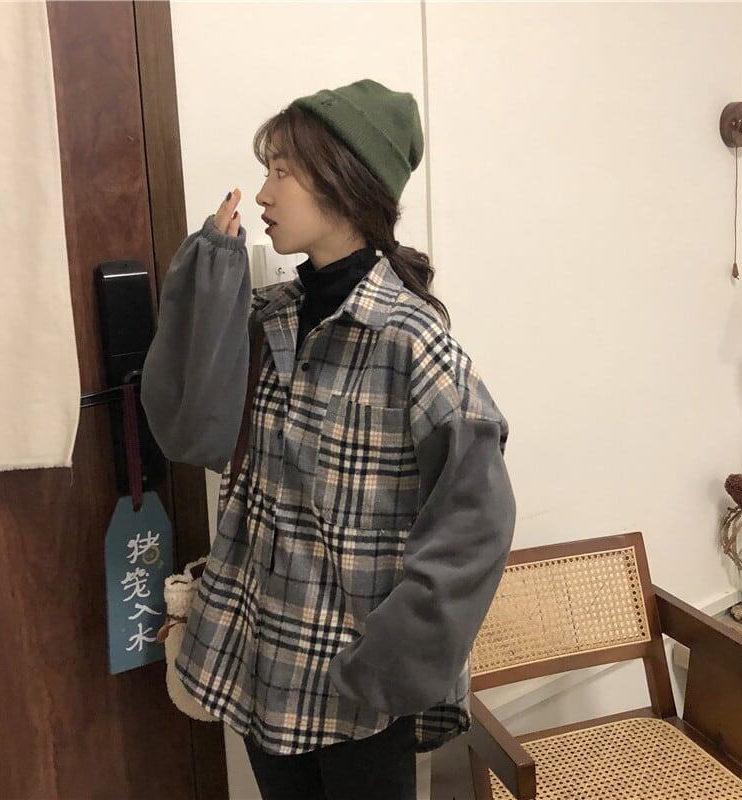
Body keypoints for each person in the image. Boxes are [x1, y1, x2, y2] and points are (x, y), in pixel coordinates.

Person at [140, 78, 517, 799]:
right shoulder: (268, 319)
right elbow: (187, 431)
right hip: (259, 659)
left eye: (282, 170)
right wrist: (209, 280)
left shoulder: (411, 343)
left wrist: (394, 662)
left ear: (344, 183)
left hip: (357, 685)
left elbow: (476, 526)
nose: (262, 193)